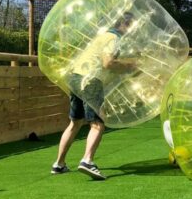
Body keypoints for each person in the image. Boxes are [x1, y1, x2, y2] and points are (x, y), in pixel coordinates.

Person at [51, 12, 138, 180]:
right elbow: (108, 63)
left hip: (76, 77)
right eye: (130, 26)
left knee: (75, 123)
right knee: (97, 123)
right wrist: (131, 65)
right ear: (124, 24)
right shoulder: (113, 38)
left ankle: (59, 164)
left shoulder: (102, 36)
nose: (131, 30)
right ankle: (87, 161)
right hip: (91, 80)